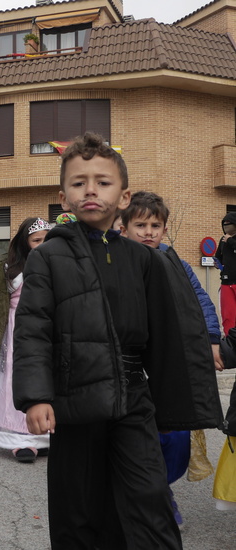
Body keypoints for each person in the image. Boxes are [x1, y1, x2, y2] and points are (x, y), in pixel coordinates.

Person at [12, 132, 223, 549]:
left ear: (123, 196)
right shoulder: (47, 258)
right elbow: (33, 329)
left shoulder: (143, 259)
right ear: (63, 196)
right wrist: (36, 397)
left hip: (133, 399)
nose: (91, 190)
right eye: (79, 182)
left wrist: (184, 392)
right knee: (80, 508)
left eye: (103, 182)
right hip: (73, 403)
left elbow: (168, 333)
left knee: (150, 497)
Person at [120, 190, 224, 528]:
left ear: (164, 229)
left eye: (156, 225)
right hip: (128, 365)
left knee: (176, 435)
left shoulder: (175, 263)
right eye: (141, 225)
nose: (149, 232)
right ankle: (138, 498)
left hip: (169, 363)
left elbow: (201, 303)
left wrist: (210, 340)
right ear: (124, 227)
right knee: (132, 437)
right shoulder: (115, 260)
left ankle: (161, 490)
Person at [0, 217, 51, 463]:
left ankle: (43, 435)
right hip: (16, 329)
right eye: (36, 240)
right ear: (25, 241)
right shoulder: (10, 267)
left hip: (46, 328)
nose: (42, 245)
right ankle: (20, 438)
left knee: (45, 377)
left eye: (45, 240)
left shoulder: (56, 262)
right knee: (15, 378)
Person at [215, 212, 236, 335]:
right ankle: (230, 341)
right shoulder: (223, 240)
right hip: (226, 282)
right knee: (228, 316)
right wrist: (217, 263)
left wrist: (231, 241)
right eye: (224, 224)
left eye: (229, 224)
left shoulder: (229, 240)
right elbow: (219, 256)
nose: (226, 227)